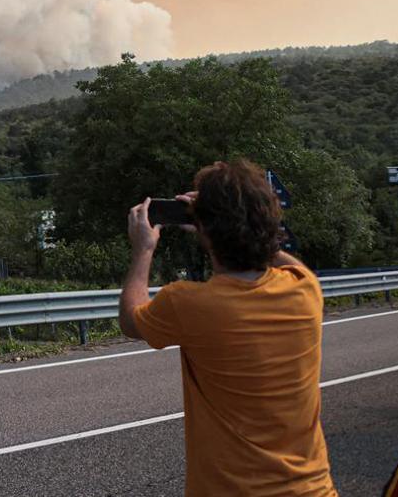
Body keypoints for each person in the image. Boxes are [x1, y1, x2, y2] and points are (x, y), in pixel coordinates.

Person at [120, 158, 337, 496]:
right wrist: (235, 222)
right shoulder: (304, 288)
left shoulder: (187, 304)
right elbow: (280, 257)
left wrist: (143, 250)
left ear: (204, 229)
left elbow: (132, 320)